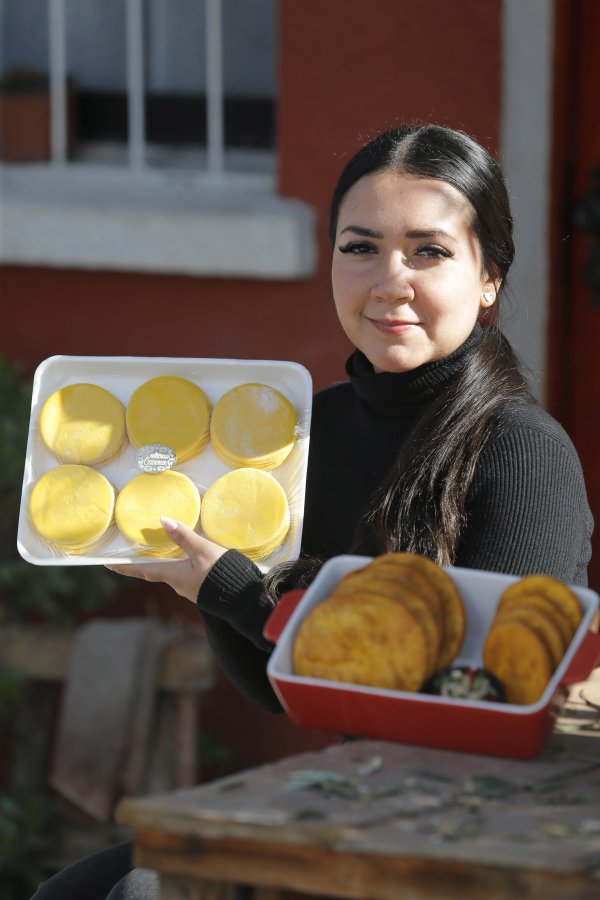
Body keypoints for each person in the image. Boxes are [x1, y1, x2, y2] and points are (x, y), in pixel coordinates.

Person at [31, 122, 593, 900]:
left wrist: (238, 589)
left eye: (428, 251)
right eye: (360, 247)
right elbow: (281, 688)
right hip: (362, 798)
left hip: (488, 832)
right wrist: (200, 589)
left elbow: (482, 698)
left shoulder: (523, 451)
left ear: (489, 275)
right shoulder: (309, 431)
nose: (388, 280)